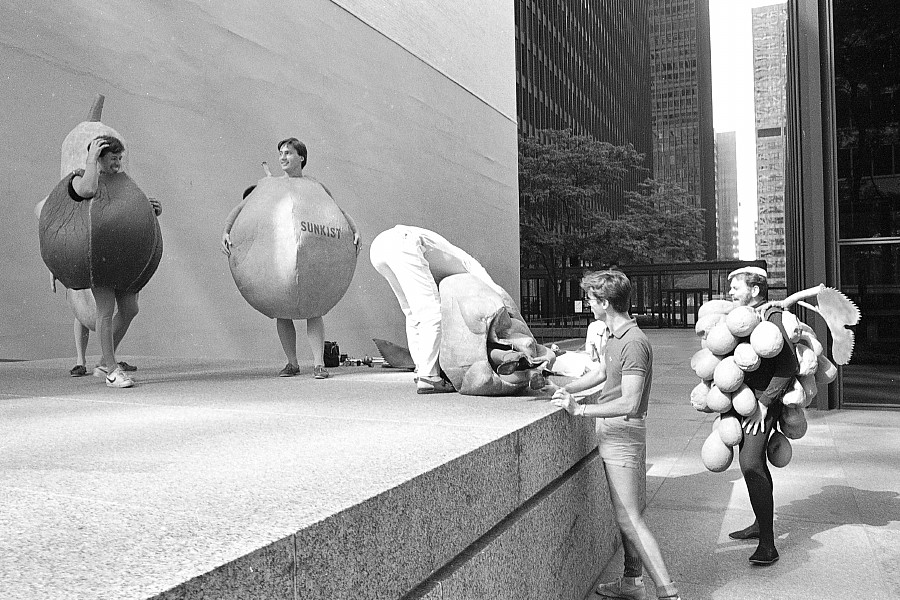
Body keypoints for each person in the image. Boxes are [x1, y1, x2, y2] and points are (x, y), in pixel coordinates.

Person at [551, 271, 681, 600]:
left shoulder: (634, 342)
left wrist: (579, 410)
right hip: (614, 433)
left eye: (592, 301)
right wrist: (560, 388)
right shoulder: (614, 337)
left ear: (605, 303)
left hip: (623, 433)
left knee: (630, 518)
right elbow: (601, 374)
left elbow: (630, 401)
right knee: (627, 517)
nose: (588, 307)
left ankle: (668, 593)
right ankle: (631, 583)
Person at [221, 138, 360, 379]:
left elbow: (339, 211)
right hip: (278, 266)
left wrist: (355, 231)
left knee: (315, 310)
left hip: (313, 263)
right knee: (281, 311)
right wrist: (225, 231)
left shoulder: (315, 186)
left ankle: (318, 364)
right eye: (280, 154)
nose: (283, 157)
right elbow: (239, 209)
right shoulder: (267, 185)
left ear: (301, 157)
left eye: (288, 153)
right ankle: (292, 363)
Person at [370, 225, 512, 394]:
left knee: (413, 313)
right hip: (404, 243)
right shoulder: (470, 265)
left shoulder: (445, 259)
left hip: (379, 248)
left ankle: (422, 368)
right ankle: (429, 376)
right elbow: (496, 291)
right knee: (432, 313)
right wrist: (509, 312)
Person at [69, 136, 162, 388]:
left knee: (130, 308)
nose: (118, 163)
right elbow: (87, 191)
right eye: (112, 158)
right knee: (105, 310)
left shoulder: (123, 181)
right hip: (97, 258)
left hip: (122, 257)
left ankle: (102, 361)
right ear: (98, 158)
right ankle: (111, 370)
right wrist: (91, 161)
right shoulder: (81, 178)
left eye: (120, 158)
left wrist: (151, 209)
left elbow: (130, 210)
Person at [726, 266, 798, 566]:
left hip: (761, 405)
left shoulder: (772, 318)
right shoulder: (746, 318)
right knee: (754, 464)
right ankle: (760, 525)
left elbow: (789, 365)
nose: (731, 292)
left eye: (736, 287)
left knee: (750, 463)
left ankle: (768, 546)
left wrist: (766, 403)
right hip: (747, 401)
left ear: (754, 290)